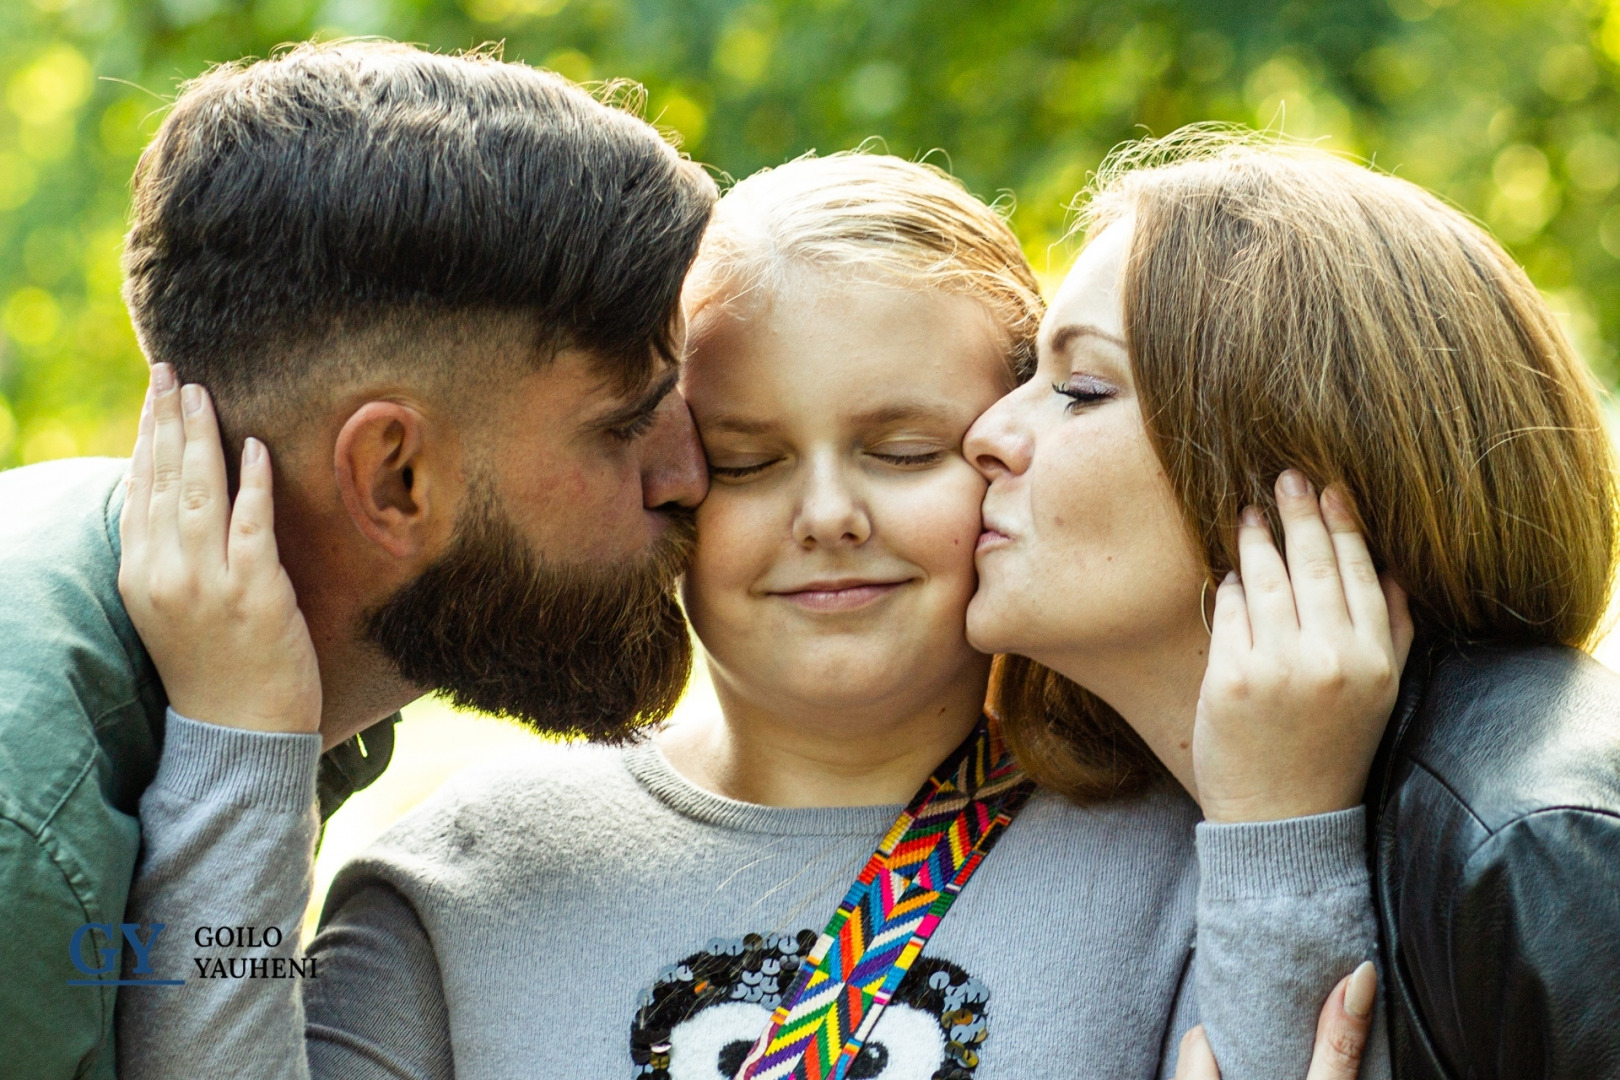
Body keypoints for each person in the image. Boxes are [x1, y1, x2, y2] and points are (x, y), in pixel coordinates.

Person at [119, 153, 1398, 1080]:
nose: (828, 513)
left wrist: (1286, 828)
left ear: (1009, 457)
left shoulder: (1196, 856)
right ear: (667, 482)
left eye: (906, 450)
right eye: (747, 460)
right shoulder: (454, 886)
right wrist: (242, 745)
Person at [0, 40, 716, 1079]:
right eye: (625, 425)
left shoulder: (272, 659)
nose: (691, 472)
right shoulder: (27, 848)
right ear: (394, 480)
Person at [966, 130, 1620, 1080]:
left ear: (1300, 463)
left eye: (1081, 388)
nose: (987, 434)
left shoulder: (1542, 848)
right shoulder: (1119, 837)